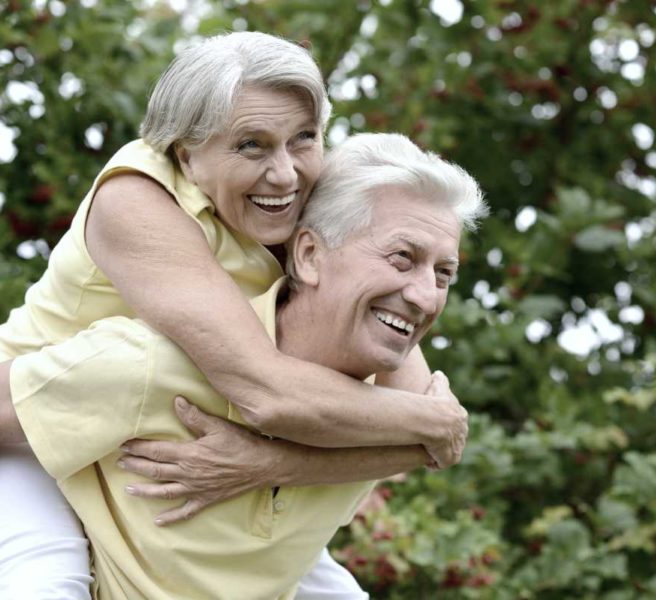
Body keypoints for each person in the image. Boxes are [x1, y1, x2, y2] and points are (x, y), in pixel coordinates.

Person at [0, 32, 468, 599]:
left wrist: (269, 464)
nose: (285, 174)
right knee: (48, 576)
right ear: (186, 152)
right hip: (27, 431)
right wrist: (438, 423)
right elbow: (267, 394)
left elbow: (414, 430)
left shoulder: (306, 208)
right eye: (251, 145)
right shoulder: (135, 201)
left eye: (304, 138)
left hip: (159, 428)